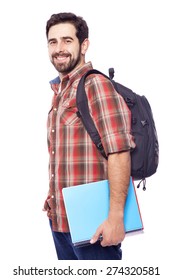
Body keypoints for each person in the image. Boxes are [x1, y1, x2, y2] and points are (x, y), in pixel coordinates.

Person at [43, 12, 135, 260]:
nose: (59, 49)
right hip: (61, 221)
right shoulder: (60, 91)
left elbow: (119, 151)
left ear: (84, 45)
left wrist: (116, 217)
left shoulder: (95, 85)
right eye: (53, 42)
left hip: (94, 225)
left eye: (67, 40)